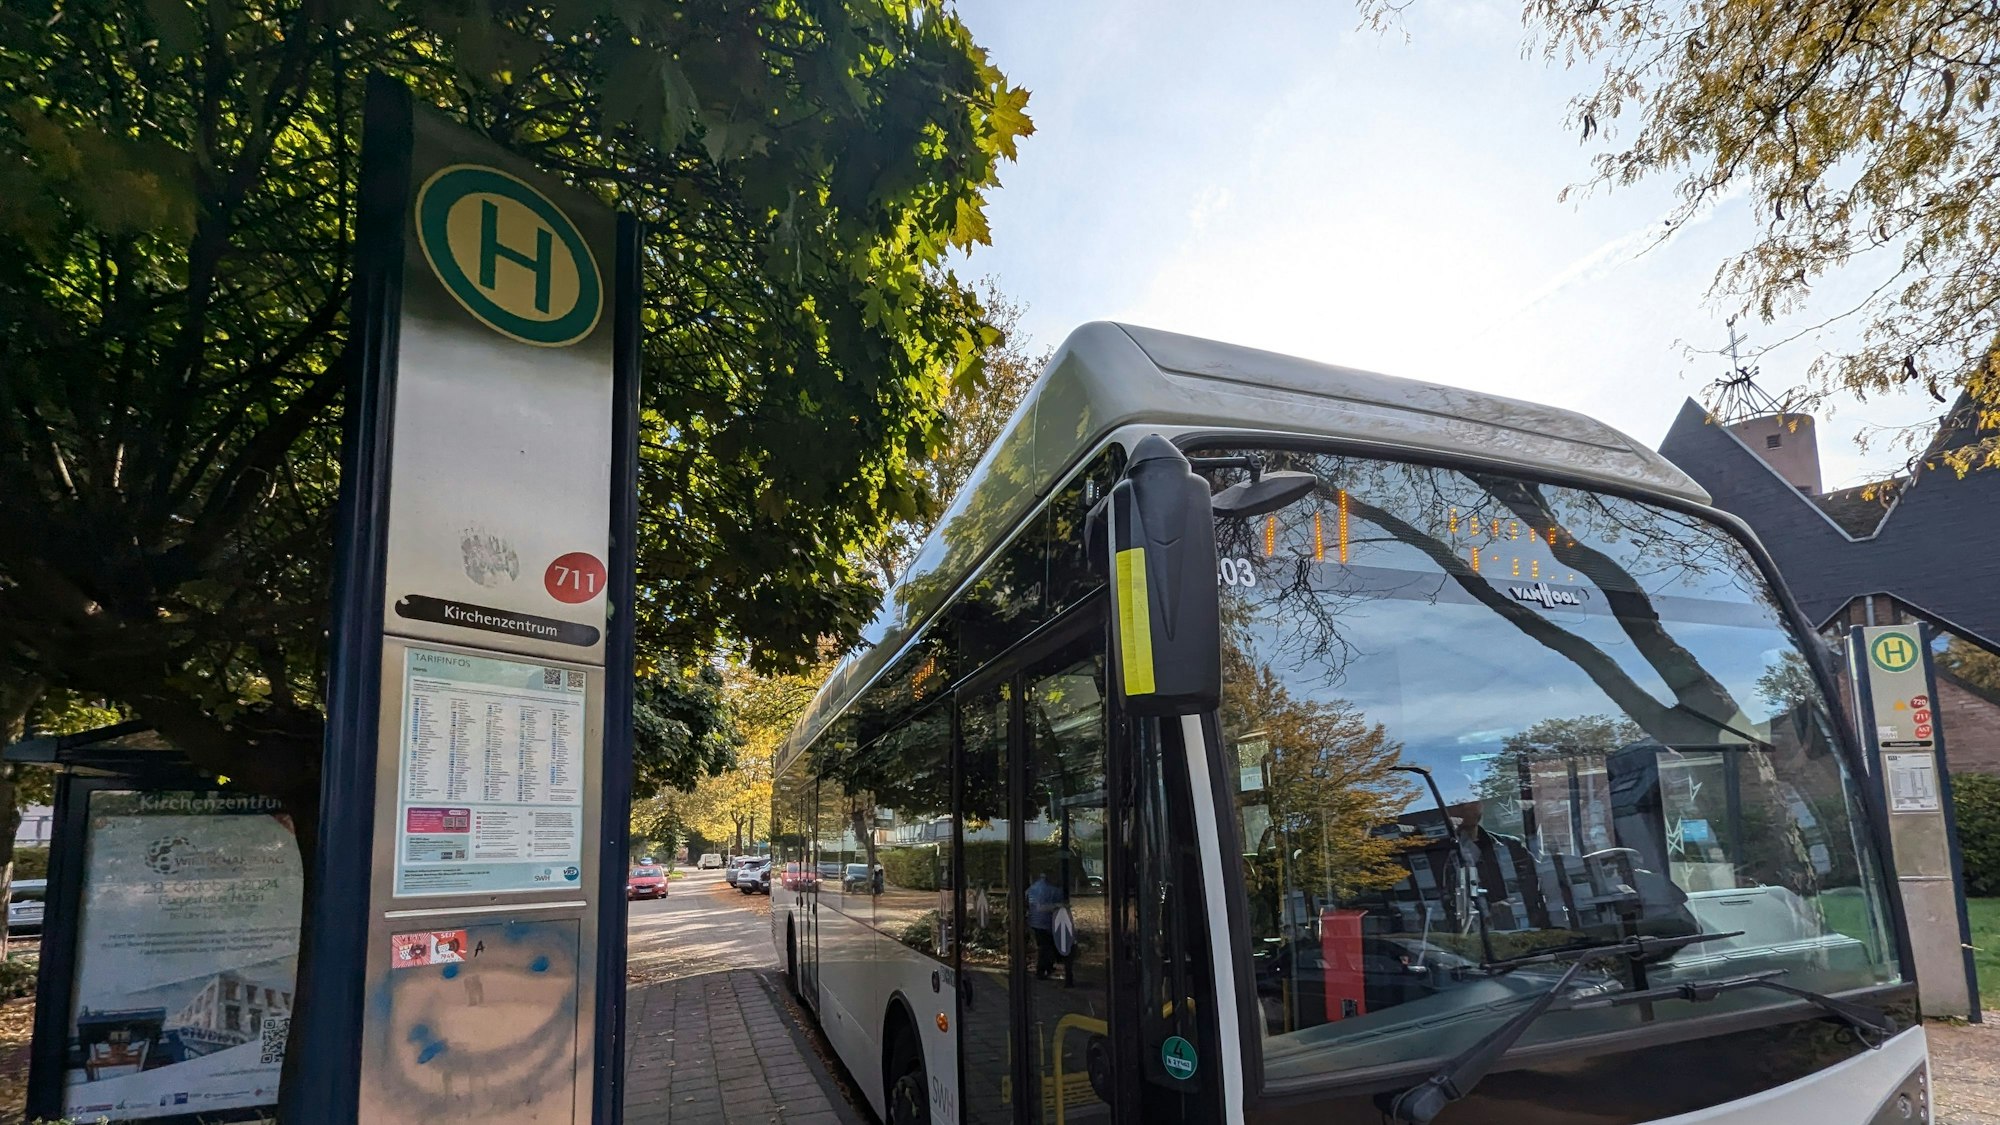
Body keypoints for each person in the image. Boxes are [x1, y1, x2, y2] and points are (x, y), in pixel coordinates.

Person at [1026, 871, 1063, 979]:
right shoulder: (1053, 890)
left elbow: (1028, 900)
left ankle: (1047, 967)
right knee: (1046, 947)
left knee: (1044, 946)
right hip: (1046, 922)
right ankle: (1042, 970)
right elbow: (1052, 906)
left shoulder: (1033, 888)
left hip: (1035, 921)